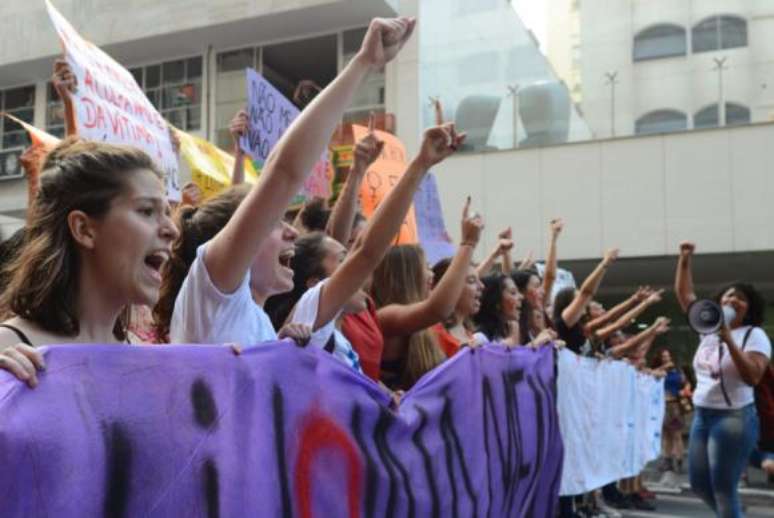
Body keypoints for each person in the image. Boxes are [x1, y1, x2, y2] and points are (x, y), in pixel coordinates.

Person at [153, 16, 416, 348]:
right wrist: (363, 62)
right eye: (275, 222)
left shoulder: (259, 321)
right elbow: (283, 174)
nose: (293, 230)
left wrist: (281, 351)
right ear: (236, 235)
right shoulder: (212, 296)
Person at [264, 116, 465, 371]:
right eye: (342, 259)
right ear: (315, 285)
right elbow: (366, 250)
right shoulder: (309, 318)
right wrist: (419, 165)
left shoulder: (346, 327)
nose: (359, 268)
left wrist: (383, 394)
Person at [0, 138, 179, 386]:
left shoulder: (146, 362)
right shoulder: (8, 352)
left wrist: (226, 372)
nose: (172, 230)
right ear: (84, 229)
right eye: (147, 211)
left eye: (168, 214)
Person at [675, 241, 771, 518]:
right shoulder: (707, 327)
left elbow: (753, 376)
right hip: (702, 415)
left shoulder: (755, 336)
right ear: (718, 302)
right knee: (698, 483)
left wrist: (728, 338)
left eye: (740, 298)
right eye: (728, 296)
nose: (732, 301)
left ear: (748, 308)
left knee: (723, 488)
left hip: (733, 418)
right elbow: (685, 295)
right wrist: (684, 259)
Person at [370, 198, 483, 389]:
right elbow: (438, 310)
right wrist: (468, 244)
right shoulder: (385, 318)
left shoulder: (430, 329)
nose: (432, 274)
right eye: (426, 267)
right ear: (407, 276)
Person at [552, 248, 619, 354]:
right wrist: (604, 264)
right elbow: (586, 293)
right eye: (577, 300)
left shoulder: (582, 326)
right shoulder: (564, 321)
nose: (584, 303)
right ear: (567, 305)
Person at [430, 258, 483, 357]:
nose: (482, 286)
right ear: (449, 287)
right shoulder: (433, 335)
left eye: (479, 280)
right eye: (471, 281)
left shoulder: (468, 332)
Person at [651, 348, 690, 477]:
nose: (667, 358)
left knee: (676, 434)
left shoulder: (676, 370)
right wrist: (663, 367)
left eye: (668, 356)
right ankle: (667, 461)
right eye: (664, 356)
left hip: (674, 406)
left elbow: (686, 383)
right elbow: (651, 376)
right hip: (661, 406)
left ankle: (679, 460)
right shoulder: (658, 370)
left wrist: (684, 390)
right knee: (665, 435)